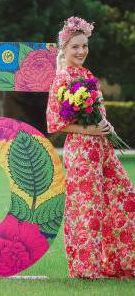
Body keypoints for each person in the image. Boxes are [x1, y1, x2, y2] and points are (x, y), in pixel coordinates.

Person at [46, 16, 135, 279]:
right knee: (87, 209)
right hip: (82, 153)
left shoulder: (86, 75)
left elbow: (95, 112)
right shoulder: (61, 79)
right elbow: (54, 123)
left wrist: (106, 127)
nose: (82, 51)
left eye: (84, 46)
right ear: (64, 49)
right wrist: (90, 130)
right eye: (75, 46)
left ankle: (122, 263)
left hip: (103, 150)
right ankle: (87, 270)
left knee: (124, 198)